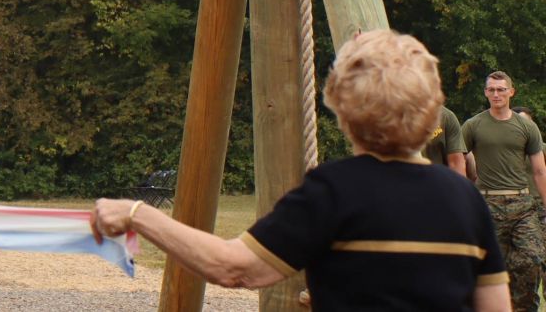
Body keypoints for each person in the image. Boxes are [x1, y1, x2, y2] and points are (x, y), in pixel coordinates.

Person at [91, 30, 508, 312]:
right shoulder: (466, 200)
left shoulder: (333, 191)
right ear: (431, 106)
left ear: (340, 104)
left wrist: (136, 214)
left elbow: (234, 267)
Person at [463, 71, 546, 311]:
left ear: (511, 91)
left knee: (532, 260)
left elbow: (540, 172)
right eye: (491, 89)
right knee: (490, 268)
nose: (496, 94)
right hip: (488, 205)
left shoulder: (526, 128)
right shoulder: (473, 125)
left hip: (523, 204)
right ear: (486, 93)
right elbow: (458, 157)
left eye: (501, 89)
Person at [425, 104, 469, 173]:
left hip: (436, 181)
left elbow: (456, 164)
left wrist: (458, 183)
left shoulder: (446, 117)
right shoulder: (402, 115)